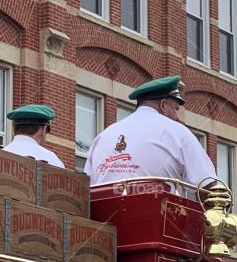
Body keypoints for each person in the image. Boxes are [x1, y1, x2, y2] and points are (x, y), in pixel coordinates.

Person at [84, 75, 218, 190]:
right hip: (159, 218)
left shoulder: (103, 136)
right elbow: (209, 187)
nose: (177, 117)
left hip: (103, 219)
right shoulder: (179, 133)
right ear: (163, 105)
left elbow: (85, 188)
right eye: (176, 109)